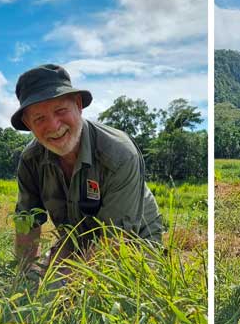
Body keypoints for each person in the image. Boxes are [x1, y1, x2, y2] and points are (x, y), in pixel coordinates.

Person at [11, 63, 163, 273]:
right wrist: (23, 276)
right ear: (28, 124)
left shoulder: (119, 153)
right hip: (78, 237)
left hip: (133, 237)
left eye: (60, 110)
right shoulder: (31, 160)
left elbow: (116, 240)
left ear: (78, 105)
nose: (54, 126)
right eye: (39, 118)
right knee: (43, 279)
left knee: (111, 290)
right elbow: (27, 221)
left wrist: (68, 282)